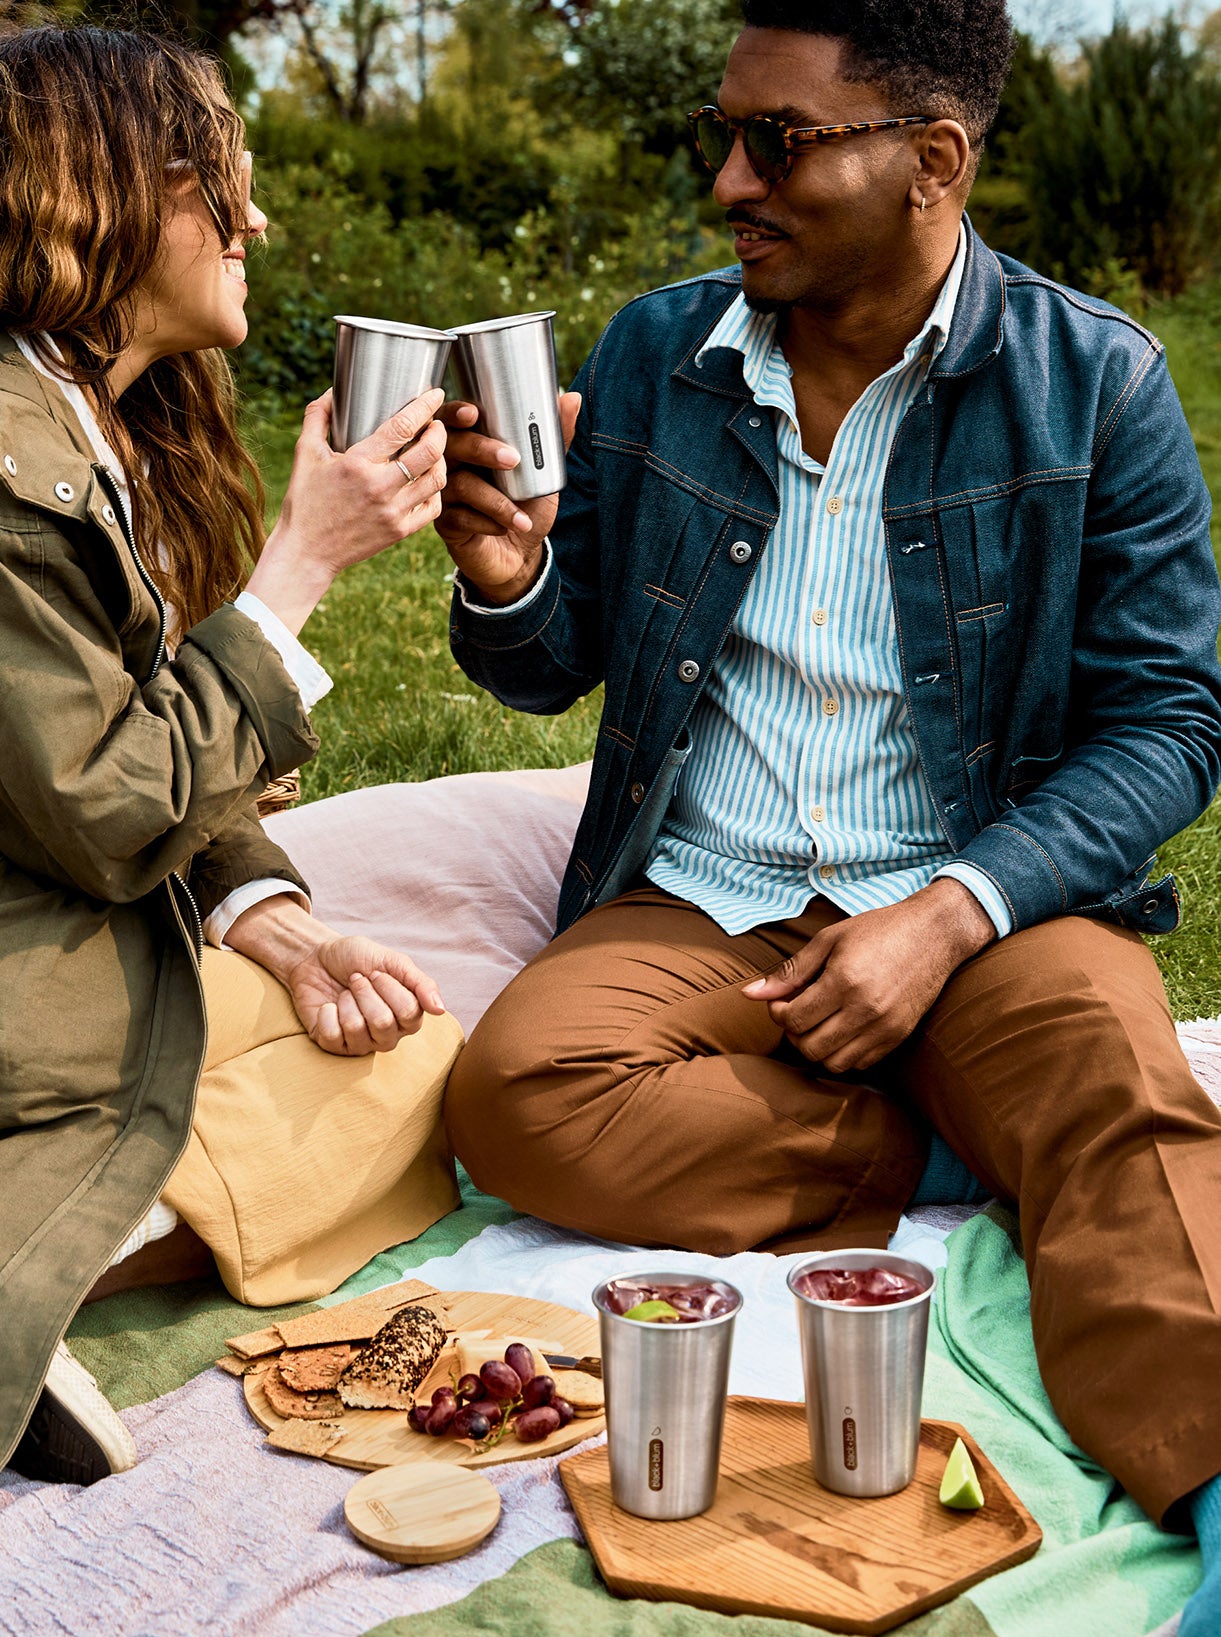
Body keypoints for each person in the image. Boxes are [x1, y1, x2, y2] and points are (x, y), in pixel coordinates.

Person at [438, 2, 1221, 1629]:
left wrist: (949, 914)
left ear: (930, 160)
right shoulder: (656, 356)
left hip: (981, 891)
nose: (730, 180)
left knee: (1129, 1122)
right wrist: (507, 578)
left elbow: (1170, 724)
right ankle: (943, 1138)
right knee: (515, 1097)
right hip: (701, 888)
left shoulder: (1095, 381)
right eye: (723, 136)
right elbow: (551, 662)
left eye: (777, 142)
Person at [0, 23, 462, 1538]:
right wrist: (301, 567)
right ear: (104, 199)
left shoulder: (62, 416)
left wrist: (272, 918)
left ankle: (4, 1287)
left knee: (402, 1053)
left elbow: (102, 743)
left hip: (19, 913)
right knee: (312, 1089)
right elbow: (105, 797)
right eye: (215, 183)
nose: (254, 219)